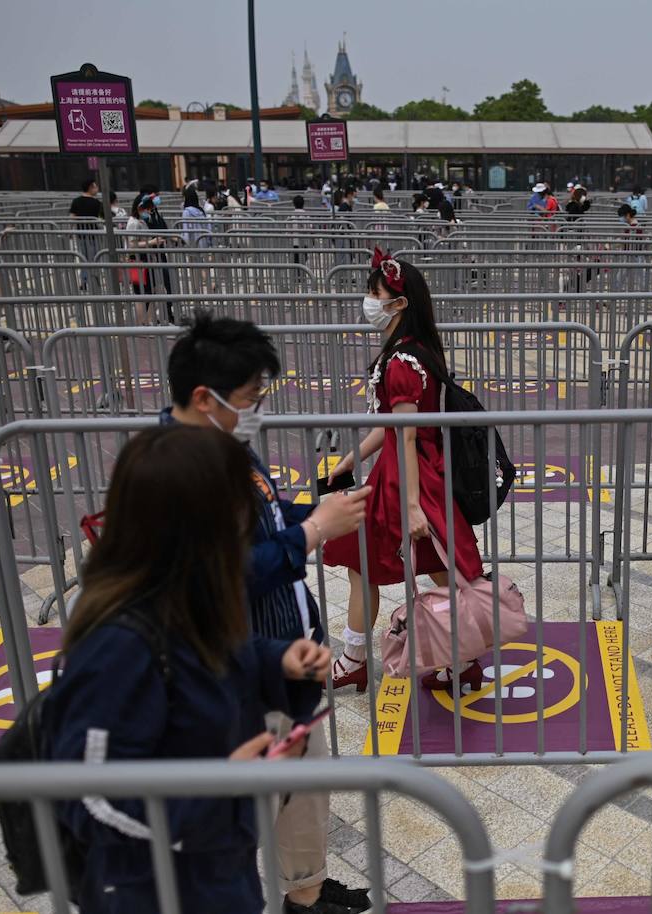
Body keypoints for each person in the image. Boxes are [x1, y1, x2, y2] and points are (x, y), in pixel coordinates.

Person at [41, 424, 337, 914]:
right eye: (232, 528)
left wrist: (279, 663)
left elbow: (226, 659)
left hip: (219, 875)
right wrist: (222, 788)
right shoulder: (114, 647)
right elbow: (91, 801)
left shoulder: (185, 597)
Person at [161, 314, 372, 914]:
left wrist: (318, 510)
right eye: (251, 398)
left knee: (304, 780)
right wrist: (312, 532)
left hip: (279, 651)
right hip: (235, 669)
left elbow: (264, 518)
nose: (256, 410)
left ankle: (305, 893)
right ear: (205, 398)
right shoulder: (178, 473)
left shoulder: (224, 447)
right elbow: (218, 574)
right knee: (251, 803)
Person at [323, 253, 485, 692]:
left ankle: (362, 659)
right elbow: (391, 429)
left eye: (375, 295)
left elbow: (407, 436)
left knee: (417, 566)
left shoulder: (402, 362)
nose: (368, 302)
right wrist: (346, 463)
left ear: (399, 303)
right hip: (406, 476)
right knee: (421, 566)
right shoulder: (412, 353)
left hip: (406, 482)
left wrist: (412, 505)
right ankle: (460, 657)